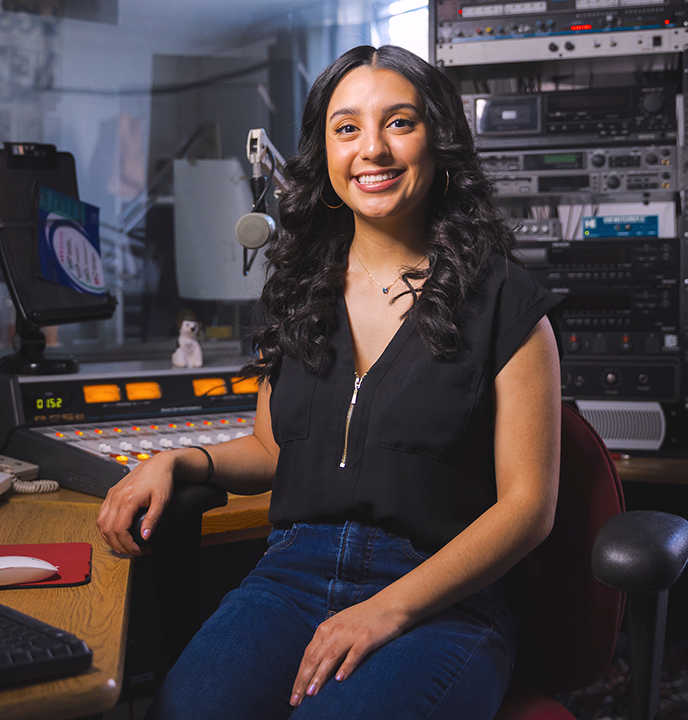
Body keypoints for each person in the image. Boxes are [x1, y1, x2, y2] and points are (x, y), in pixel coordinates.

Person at [97, 44, 563, 719]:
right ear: (325, 154)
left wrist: (387, 610)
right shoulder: (299, 289)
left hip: (442, 598)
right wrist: (179, 460)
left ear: (440, 142)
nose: (371, 148)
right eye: (347, 128)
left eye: (399, 123)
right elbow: (271, 451)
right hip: (289, 577)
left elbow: (528, 510)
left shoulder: (507, 301)